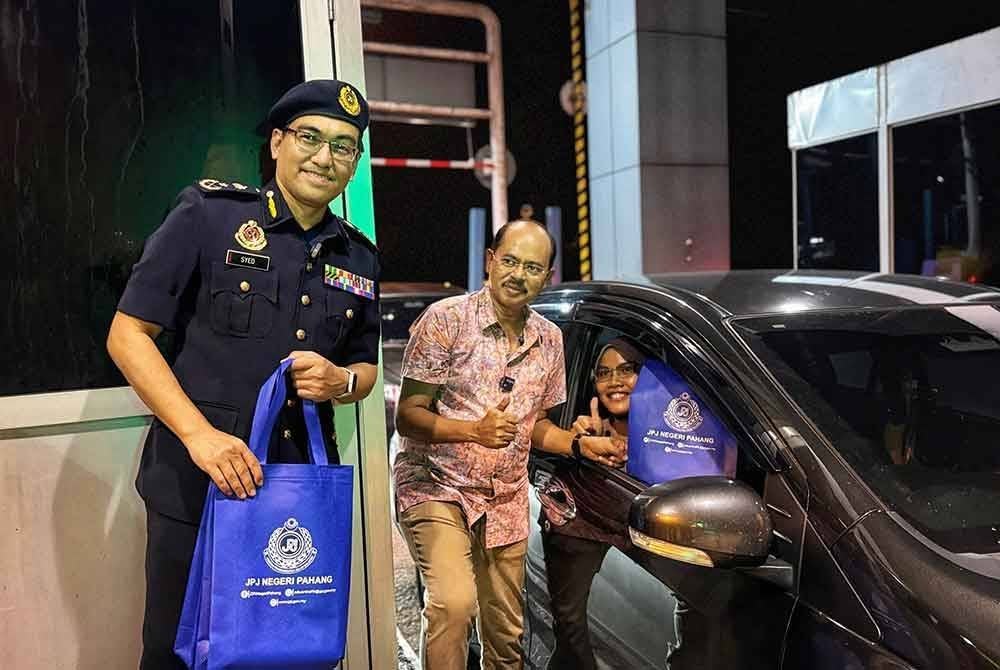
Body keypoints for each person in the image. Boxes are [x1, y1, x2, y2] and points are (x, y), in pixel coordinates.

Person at [106, 79, 380, 670]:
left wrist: (343, 383)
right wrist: (199, 436)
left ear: (354, 164)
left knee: (286, 651)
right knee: (178, 650)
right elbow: (128, 335)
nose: (324, 158)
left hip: (295, 491)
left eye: (343, 147)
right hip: (199, 483)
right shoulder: (209, 216)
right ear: (278, 142)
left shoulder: (358, 256)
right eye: (311, 138)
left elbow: (367, 368)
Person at [393, 220, 626, 670]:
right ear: (490, 261)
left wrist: (579, 447)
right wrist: (473, 431)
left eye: (533, 267)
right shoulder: (446, 320)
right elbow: (409, 416)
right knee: (454, 605)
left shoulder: (549, 339)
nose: (519, 274)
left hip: (505, 497)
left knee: (506, 632)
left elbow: (535, 427)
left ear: (547, 276)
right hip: (437, 485)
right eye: (511, 261)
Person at [539, 338, 645, 670]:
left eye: (627, 370)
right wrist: (582, 446)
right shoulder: (586, 432)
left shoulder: (675, 439)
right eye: (604, 373)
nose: (614, 381)